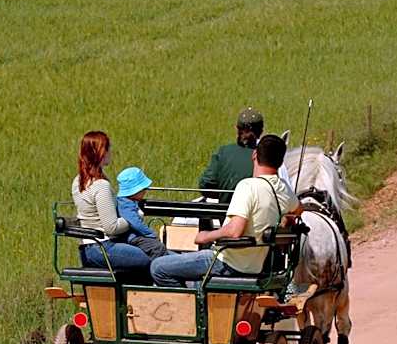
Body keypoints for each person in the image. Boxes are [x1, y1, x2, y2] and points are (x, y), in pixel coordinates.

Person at [151, 134, 301, 287]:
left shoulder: (248, 186)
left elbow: (235, 230)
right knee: (170, 258)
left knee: (158, 267)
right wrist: (286, 222)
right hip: (255, 265)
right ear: (281, 161)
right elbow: (298, 210)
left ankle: (193, 306)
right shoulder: (284, 190)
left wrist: (206, 236)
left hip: (227, 262)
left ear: (254, 155)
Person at [71, 131, 151, 270]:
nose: (110, 152)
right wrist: (137, 215)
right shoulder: (101, 185)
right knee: (155, 254)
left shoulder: (78, 181)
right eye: (108, 149)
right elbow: (111, 227)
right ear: (101, 152)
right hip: (103, 248)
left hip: (87, 248)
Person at [198, 107, 265, 198]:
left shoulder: (223, 152)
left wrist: (225, 196)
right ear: (261, 131)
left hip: (224, 211)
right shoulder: (267, 156)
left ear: (237, 129)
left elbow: (205, 185)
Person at [115, 166, 171, 259]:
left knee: (158, 246)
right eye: (143, 189)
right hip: (131, 237)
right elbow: (135, 222)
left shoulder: (130, 201)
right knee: (157, 248)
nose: (146, 191)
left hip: (135, 236)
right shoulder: (126, 205)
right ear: (135, 191)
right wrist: (150, 234)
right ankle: (157, 270)